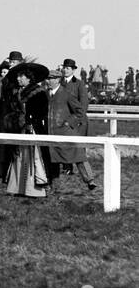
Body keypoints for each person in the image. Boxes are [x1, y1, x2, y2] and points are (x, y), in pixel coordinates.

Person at [44, 68, 96, 192]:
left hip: (66, 132)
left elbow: (80, 111)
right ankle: (52, 185)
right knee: (52, 159)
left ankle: (90, 180)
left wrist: (69, 122)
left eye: (51, 79)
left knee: (79, 155)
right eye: (48, 79)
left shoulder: (66, 93)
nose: (48, 81)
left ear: (57, 80)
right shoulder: (45, 94)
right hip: (51, 133)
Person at [3, 69, 49, 198]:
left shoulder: (39, 92)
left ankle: (33, 190)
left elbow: (42, 111)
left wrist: (29, 120)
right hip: (17, 129)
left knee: (32, 158)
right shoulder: (15, 92)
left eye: (21, 76)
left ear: (28, 78)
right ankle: (17, 188)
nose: (18, 79)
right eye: (18, 76)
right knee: (17, 157)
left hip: (32, 129)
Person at [59, 58, 99, 187]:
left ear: (73, 70)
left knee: (79, 151)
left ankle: (89, 179)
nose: (65, 70)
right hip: (62, 122)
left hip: (77, 122)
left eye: (68, 68)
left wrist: (74, 120)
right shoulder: (59, 83)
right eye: (64, 68)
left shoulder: (79, 84)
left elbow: (83, 105)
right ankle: (67, 169)